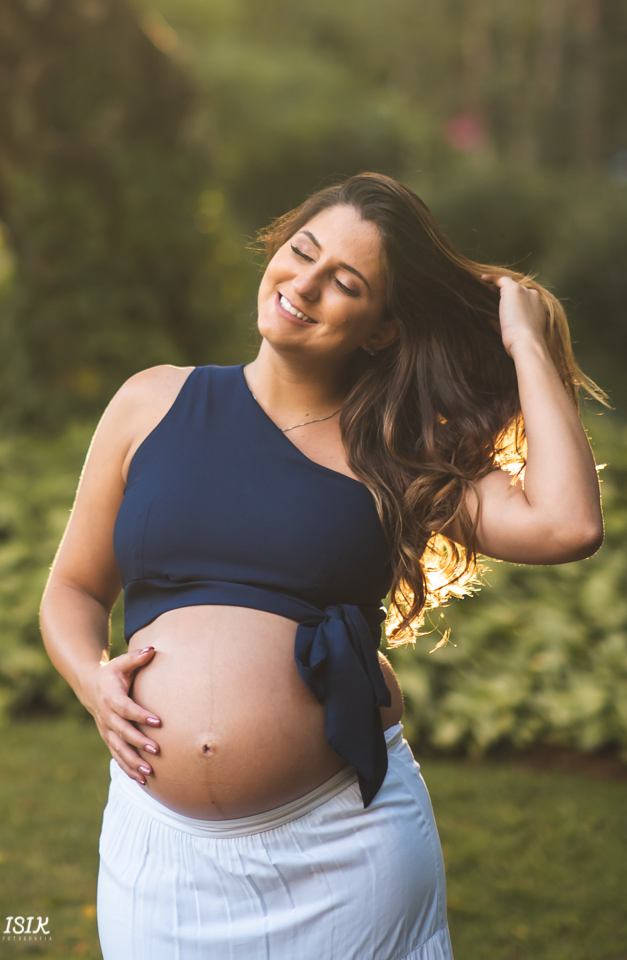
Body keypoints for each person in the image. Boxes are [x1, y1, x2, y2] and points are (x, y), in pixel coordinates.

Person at [39, 172, 604, 960]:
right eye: (301, 253)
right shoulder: (151, 402)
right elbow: (72, 589)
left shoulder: (400, 449)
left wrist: (524, 342)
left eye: (344, 282)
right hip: (156, 850)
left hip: (342, 850)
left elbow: (567, 524)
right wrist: (88, 678)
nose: (303, 285)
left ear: (379, 329)